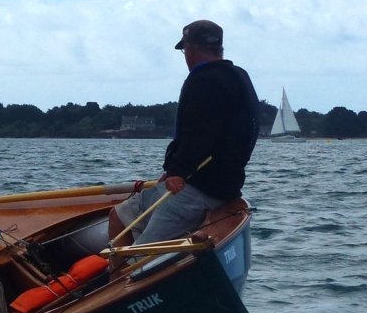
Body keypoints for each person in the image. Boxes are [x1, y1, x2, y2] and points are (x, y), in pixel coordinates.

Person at [109, 20, 262, 248]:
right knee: (120, 215)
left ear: (189, 49)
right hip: (227, 187)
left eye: (184, 50)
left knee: (139, 256)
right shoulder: (239, 76)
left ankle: (126, 274)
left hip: (195, 189)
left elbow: (200, 134)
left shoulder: (204, 80)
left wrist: (178, 171)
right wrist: (171, 171)